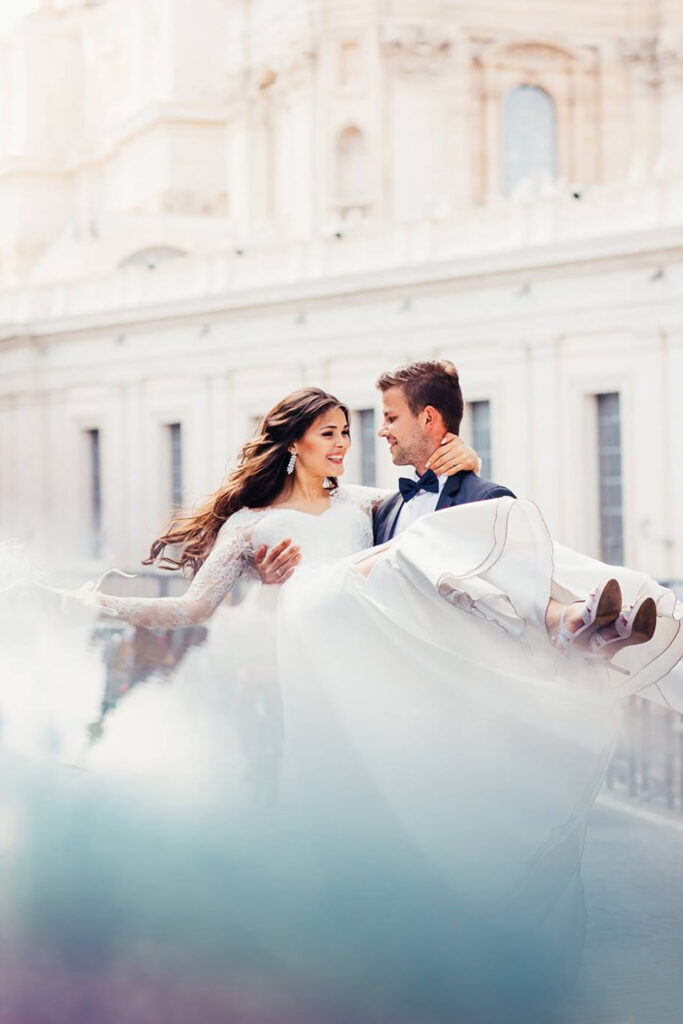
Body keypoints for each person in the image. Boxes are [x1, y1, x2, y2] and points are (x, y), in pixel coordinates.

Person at [61, 367, 683, 1015]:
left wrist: (459, 469)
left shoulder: (365, 503)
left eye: (356, 430)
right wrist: (100, 601)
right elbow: (194, 609)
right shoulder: (250, 525)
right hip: (311, 645)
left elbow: (451, 530)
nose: (346, 443)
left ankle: (586, 618)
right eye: (330, 433)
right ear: (293, 441)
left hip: (377, 661)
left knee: (437, 555)